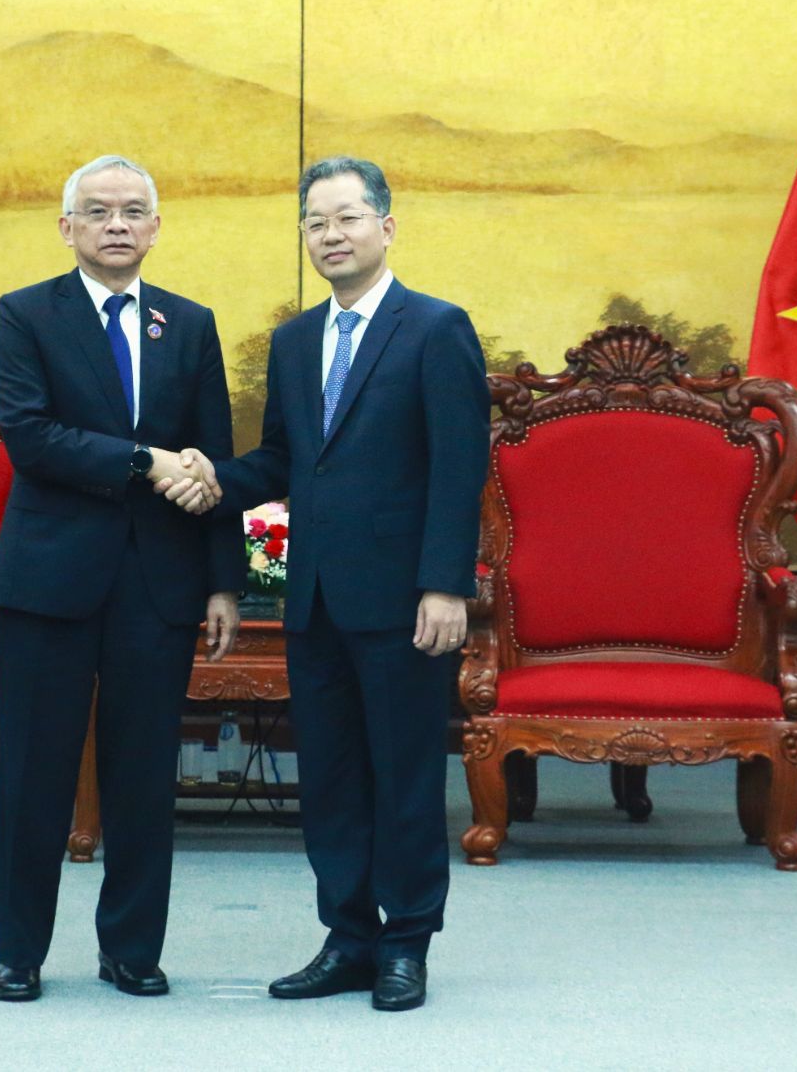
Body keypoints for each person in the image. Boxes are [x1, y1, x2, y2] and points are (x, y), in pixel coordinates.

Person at [160, 156, 489, 1012]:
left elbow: (460, 468)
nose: (331, 235)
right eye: (315, 222)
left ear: (387, 225)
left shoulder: (436, 327)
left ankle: (407, 942)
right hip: (312, 599)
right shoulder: (296, 340)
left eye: (347, 218)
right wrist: (211, 478)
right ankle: (347, 936)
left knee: (404, 773)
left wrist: (445, 585)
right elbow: (282, 458)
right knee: (334, 780)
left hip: (406, 601)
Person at [0, 155, 242, 1003]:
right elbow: (31, 438)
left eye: (134, 211)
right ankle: (19, 951)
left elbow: (212, 467)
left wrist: (222, 583)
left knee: (141, 777)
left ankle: (131, 948)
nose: (118, 225)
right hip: (49, 581)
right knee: (33, 775)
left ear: (156, 226)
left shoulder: (191, 324)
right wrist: (142, 460)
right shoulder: (26, 314)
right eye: (98, 212)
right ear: (68, 228)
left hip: (157, 586)